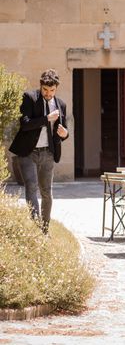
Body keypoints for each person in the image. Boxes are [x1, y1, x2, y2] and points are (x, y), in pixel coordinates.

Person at [9, 69, 69, 233]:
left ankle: (44, 229)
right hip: (28, 152)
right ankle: (36, 228)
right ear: (41, 86)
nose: (48, 94)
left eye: (52, 91)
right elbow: (25, 124)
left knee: (47, 193)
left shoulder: (60, 104)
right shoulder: (29, 98)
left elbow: (63, 131)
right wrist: (46, 119)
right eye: (45, 90)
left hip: (48, 153)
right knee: (31, 187)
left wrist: (65, 134)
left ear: (56, 88)